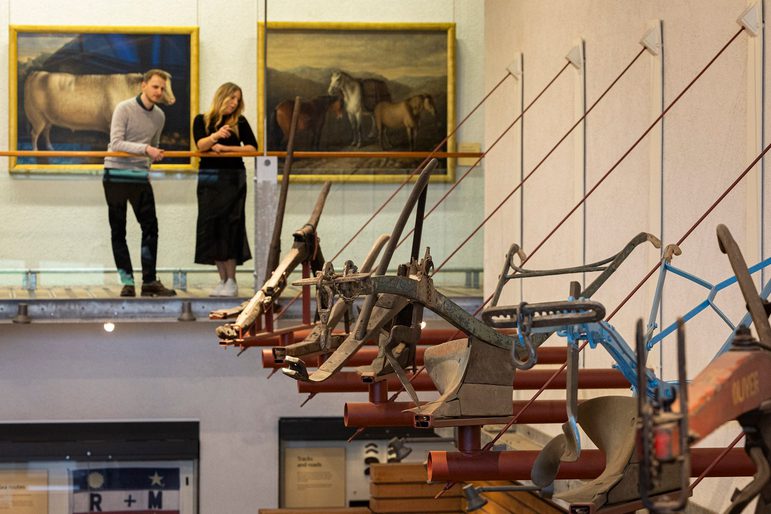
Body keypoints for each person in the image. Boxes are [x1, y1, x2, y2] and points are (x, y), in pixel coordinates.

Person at [103, 69, 176, 297]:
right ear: (143, 85)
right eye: (155, 87)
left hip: (139, 176)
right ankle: (127, 282)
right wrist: (145, 150)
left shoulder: (160, 116)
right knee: (119, 230)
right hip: (115, 173)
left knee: (150, 227)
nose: (159, 92)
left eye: (162, 88)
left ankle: (149, 281)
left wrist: (148, 161)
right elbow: (116, 142)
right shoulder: (124, 108)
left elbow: (154, 145)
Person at [193, 83, 257, 297]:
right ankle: (222, 279)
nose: (234, 103)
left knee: (231, 226)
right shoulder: (201, 120)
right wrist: (216, 136)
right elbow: (200, 145)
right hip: (209, 181)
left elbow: (252, 148)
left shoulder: (239, 121)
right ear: (222, 96)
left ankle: (232, 279)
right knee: (212, 227)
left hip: (233, 180)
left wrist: (226, 148)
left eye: (238, 100)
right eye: (232, 98)